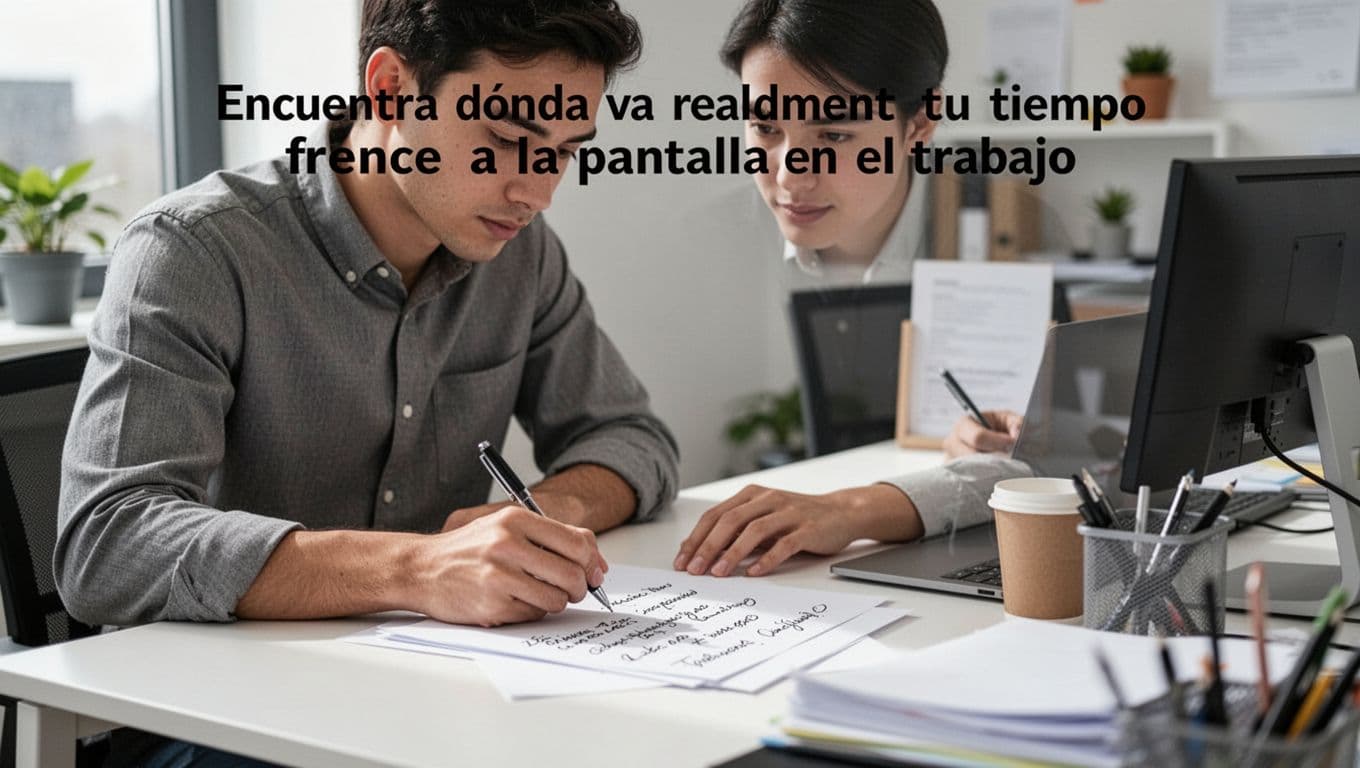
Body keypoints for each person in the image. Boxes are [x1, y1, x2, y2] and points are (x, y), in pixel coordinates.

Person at [57, 0, 679, 634]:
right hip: (222, 701)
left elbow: (633, 438)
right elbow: (106, 543)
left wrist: (542, 513)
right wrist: (415, 568)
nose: (538, 192)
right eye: (508, 141)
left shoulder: (518, 252)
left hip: (434, 677)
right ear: (390, 90)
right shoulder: (192, 251)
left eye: (565, 151)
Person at [674, 0, 1030, 580]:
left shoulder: (990, 230)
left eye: (834, 134)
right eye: (765, 127)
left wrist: (855, 508)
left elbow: (1072, 461)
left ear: (919, 122)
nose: (791, 172)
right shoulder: (706, 244)